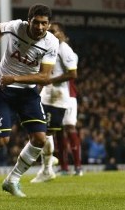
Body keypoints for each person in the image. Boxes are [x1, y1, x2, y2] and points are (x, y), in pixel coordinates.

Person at [0, 4, 59, 197]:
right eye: (36, 22)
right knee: (1, 140)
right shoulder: (17, 27)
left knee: (39, 139)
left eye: (44, 23)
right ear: (29, 21)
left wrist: (16, 78)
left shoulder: (51, 42)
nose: (40, 27)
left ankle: (12, 180)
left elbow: (45, 77)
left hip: (27, 92)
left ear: (49, 24)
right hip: (2, 89)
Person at [31, 21, 80, 183]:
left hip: (58, 96)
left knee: (47, 131)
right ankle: (50, 161)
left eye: (53, 30)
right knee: (40, 128)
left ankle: (51, 164)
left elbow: (73, 74)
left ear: (61, 33)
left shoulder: (65, 49)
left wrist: (50, 80)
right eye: (48, 30)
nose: (49, 32)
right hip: (47, 94)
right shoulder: (47, 46)